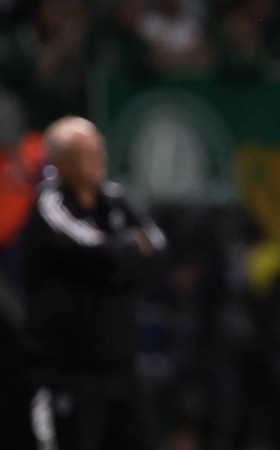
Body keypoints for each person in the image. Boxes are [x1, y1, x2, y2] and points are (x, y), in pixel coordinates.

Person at [21, 116, 166, 450]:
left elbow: (159, 255)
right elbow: (99, 254)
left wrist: (115, 260)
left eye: (98, 149)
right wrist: (125, 255)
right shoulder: (50, 205)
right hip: (69, 375)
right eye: (85, 152)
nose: (98, 159)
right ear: (60, 162)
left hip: (122, 371)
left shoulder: (115, 198)